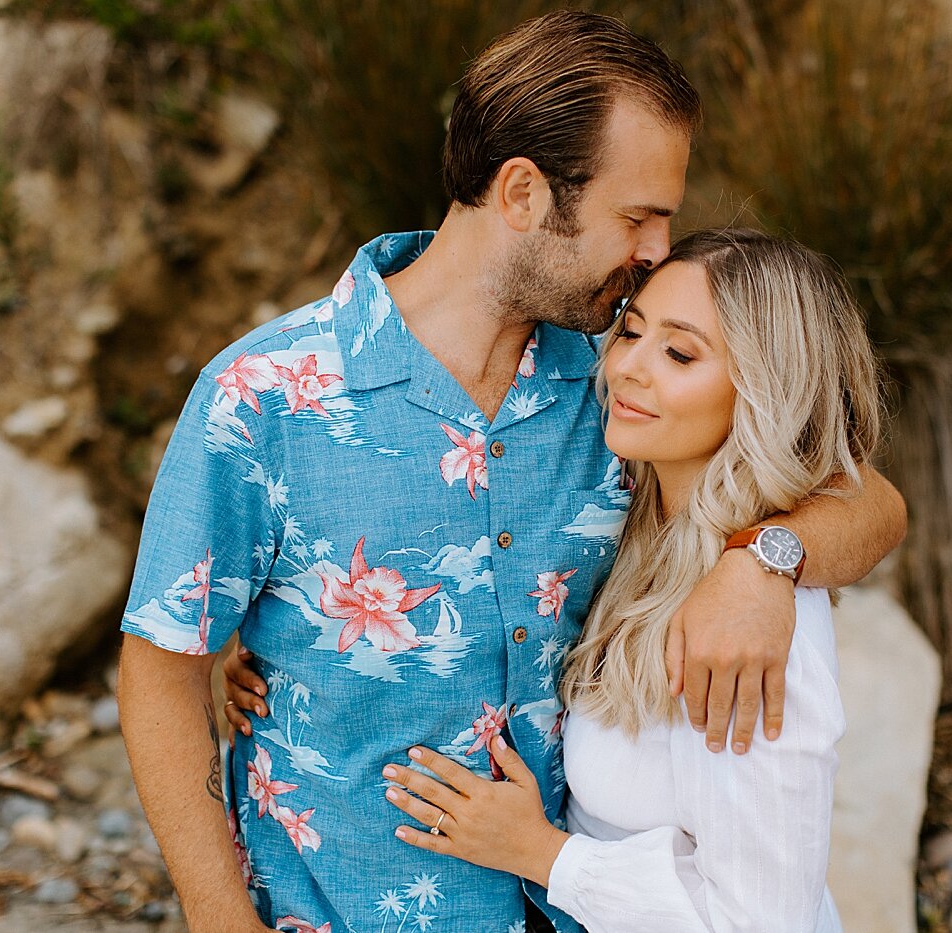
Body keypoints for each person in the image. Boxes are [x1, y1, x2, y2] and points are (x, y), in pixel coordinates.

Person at [118, 12, 905, 933]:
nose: (656, 249)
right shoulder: (265, 398)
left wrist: (764, 562)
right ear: (525, 193)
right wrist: (221, 919)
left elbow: (874, 504)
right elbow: (162, 669)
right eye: (637, 215)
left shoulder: (620, 378)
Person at [227, 228, 868, 932]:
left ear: (768, 388)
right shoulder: (631, 519)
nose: (629, 369)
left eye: (680, 352)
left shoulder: (751, 631)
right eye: (631, 332)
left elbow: (763, 924)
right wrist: (286, 635)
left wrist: (546, 856)